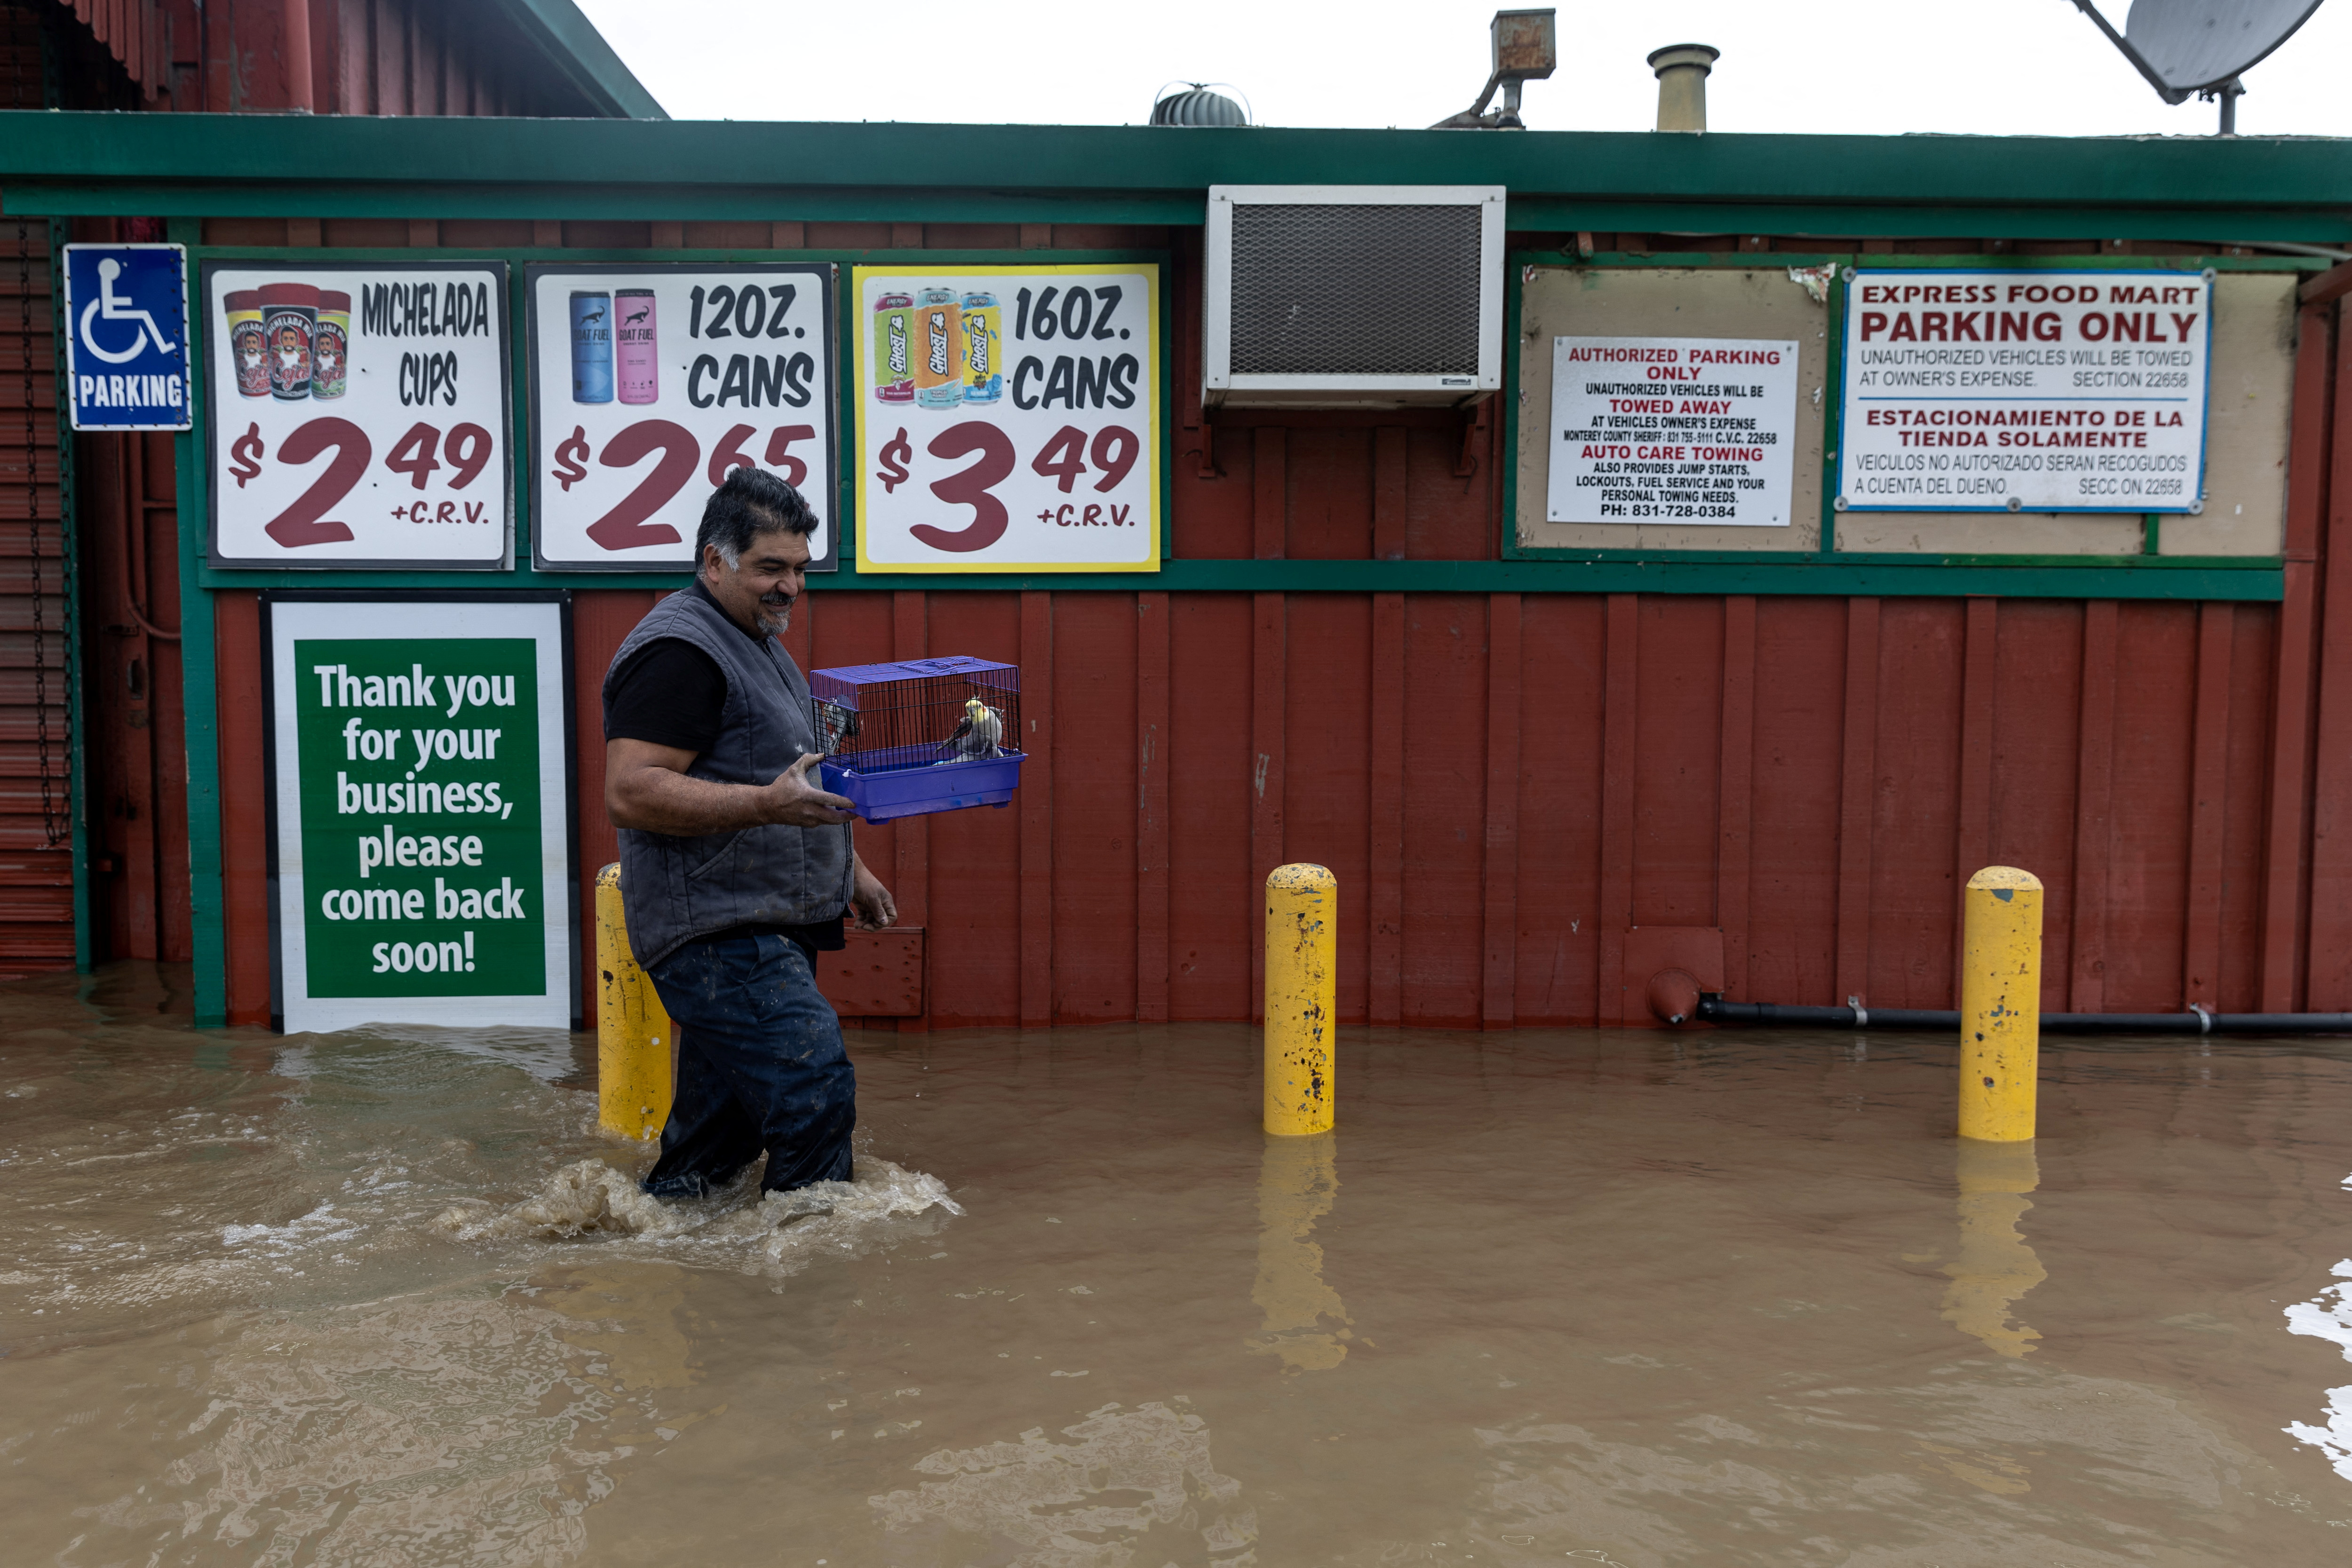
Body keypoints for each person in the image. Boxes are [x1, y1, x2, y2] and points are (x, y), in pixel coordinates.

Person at [601, 467, 896, 1197]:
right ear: (714, 561)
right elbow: (631, 791)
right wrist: (765, 806)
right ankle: (806, 1276)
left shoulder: (755, 638)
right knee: (815, 1086)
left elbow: (781, 773)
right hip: (719, 933)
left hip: (757, 922)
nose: (790, 587)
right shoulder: (681, 649)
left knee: (715, 1149)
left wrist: (849, 868)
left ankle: (662, 1256)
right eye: (771, 567)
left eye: (799, 568)